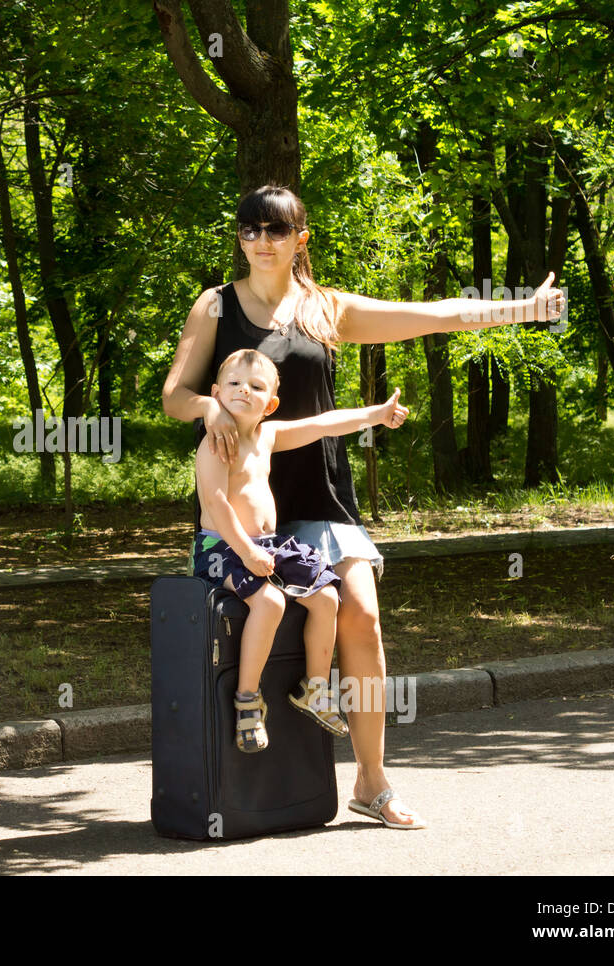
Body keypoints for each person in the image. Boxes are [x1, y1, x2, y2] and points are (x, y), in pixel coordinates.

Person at [162, 184, 566, 829]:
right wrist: (210, 406)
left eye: (275, 230)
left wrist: (524, 308)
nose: (261, 242)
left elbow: (434, 314)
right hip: (243, 501)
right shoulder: (214, 306)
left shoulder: (327, 308)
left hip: (320, 491)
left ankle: (371, 782)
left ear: (301, 238)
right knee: (269, 616)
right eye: (249, 231)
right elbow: (176, 394)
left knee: (363, 617)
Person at [192, 347, 409, 753]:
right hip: (220, 546)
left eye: (256, 386)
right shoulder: (215, 443)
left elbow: (323, 423)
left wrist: (375, 414)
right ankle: (247, 701)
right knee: (270, 603)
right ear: (217, 393)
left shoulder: (267, 435)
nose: (244, 391)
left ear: (270, 403)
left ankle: (313, 687)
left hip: (266, 545)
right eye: (235, 384)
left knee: (327, 596)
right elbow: (218, 504)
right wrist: (247, 551)